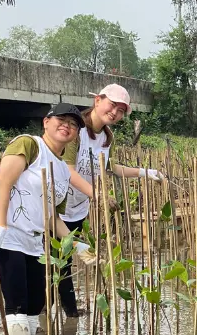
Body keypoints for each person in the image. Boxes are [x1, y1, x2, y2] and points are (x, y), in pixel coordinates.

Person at [0, 103, 93, 335]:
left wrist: (76, 246)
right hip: (9, 234)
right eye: (62, 120)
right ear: (46, 121)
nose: (68, 126)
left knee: (35, 304)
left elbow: (51, 215)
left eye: (74, 124)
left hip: (34, 241)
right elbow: (3, 183)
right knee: (17, 304)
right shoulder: (29, 144)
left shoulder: (63, 171)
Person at [59, 84, 164, 317]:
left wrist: (144, 172)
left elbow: (109, 168)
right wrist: (97, 195)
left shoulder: (107, 136)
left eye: (121, 110)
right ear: (97, 100)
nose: (115, 112)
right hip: (59, 205)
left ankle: (65, 314)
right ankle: (69, 313)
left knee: (65, 257)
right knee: (60, 262)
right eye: (112, 105)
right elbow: (69, 171)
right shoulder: (76, 130)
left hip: (79, 208)